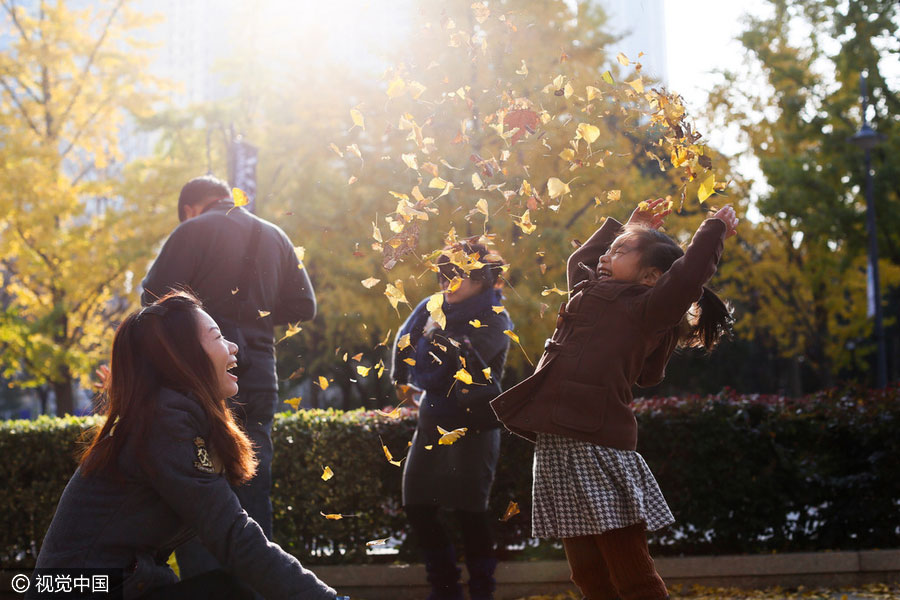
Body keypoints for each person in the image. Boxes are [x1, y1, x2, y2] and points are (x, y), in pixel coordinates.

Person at [491, 200, 739, 600]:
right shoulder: (587, 294)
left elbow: (687, 276)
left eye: (621, 251)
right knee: (589, 576)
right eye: (610, 250)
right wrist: (628, 227)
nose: (606, 257)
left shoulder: (646, 310)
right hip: (558, 447)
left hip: (596, 446)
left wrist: (713, 231)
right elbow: (580, 261)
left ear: (650, 276)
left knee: (632, 575)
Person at [29, 292, 337, 600]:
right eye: (217, 337)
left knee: (225, 590)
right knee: (226, 594)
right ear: (185, 355)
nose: (233, 348)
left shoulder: (169, 416)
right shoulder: (164, 423)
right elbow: (233, 534)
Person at [140, 175, 315, 580]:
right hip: (258, 379)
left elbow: (152, 301)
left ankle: (209, 590)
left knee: (199, 485)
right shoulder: (276, 235)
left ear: (189, 208)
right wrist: (256, 318)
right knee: (253, 482)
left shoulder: (192, 230)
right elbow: (304, 305)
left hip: (196, 377)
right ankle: (260, 586)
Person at [391, 241, 513, 600]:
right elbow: (404, 344)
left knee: (470, 514)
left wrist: (428, 339)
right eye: (445, 273)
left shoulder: (495, 318)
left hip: (474, 425)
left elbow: (458, 364)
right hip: (432, 419)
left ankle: (481, 593)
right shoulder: (431, 308)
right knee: (416, 504)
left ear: (481, 279)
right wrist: (407, 375)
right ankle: (445, 590)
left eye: (459, 275)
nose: (449, 282)